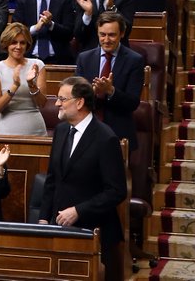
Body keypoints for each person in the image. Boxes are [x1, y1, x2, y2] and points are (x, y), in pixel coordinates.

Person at [39, 76, 127, 281]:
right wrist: (43, 219)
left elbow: (117, 191)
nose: (57, 103)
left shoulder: (106, 138)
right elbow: (52, 179)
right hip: (58, 229)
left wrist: (79, 210)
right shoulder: (61, 131)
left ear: (79, 103)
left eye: (62, 99)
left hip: (92, 232)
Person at [74, 12, 144, 149]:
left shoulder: (134, 60)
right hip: (87, 128)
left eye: (112, 35)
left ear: (122, 34)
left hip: (118, 132)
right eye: (102, 35)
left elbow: (133, 103)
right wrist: (92, 92)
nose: (106, 40)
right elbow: (76, 96)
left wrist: (111, 91)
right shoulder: (84, 58)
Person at [0, 23, 47, 136]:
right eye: (14, 42)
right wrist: (14, 86)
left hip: (36, 129)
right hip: (8, 129)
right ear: (6, 44)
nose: (18, 47)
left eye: (22, 43)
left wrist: (31, 84)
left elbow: (42, 103)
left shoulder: (37, 65)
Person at [15, 0, 76, 65]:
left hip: (59, 60)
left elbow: (69, 33)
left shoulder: (65, 0)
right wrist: (35, 28)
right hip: (29, 59)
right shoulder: (22, 1)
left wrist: (51, 25)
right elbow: (15, 33)